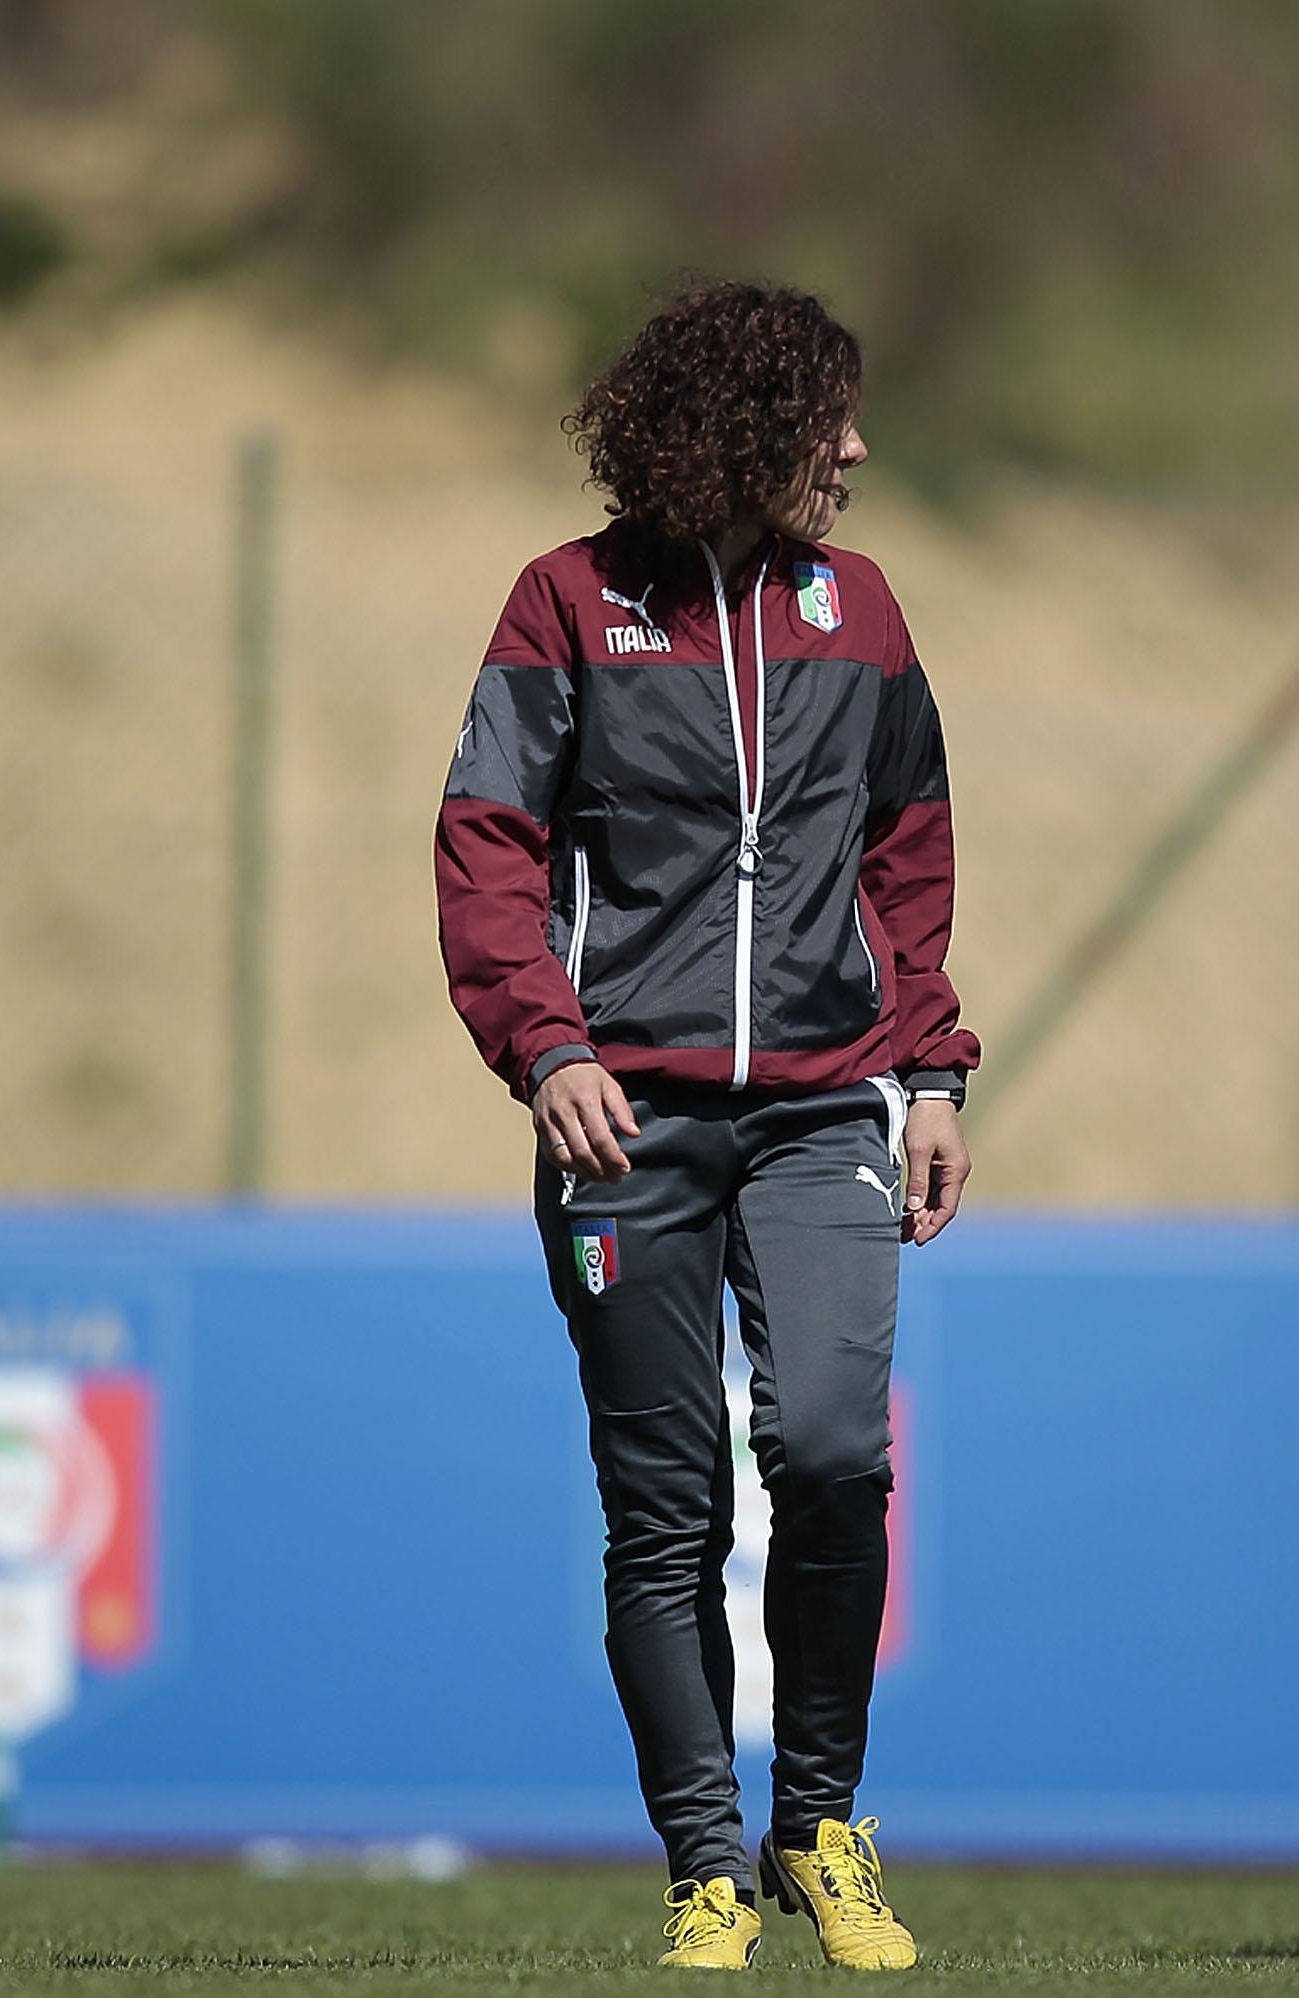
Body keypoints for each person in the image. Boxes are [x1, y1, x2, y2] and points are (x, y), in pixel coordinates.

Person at [437, 279, 975, 1973]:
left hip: (827, 1111)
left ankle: (817, 1828)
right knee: (662, 1508)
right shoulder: (565, 604)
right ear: (743, 425)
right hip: (625, 1129)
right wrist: (545, 1051)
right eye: (831, 421)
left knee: (830, 1451)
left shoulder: (865, 611)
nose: (857, 450)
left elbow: (909, 853)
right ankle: (701, 1862)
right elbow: (485, 850)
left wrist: (934, 1071)